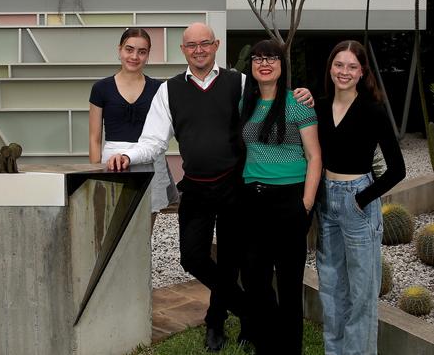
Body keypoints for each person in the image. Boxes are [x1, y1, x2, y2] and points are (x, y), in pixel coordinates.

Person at [107, 22, 313, 352]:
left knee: (233, 260)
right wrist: (127, 155)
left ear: (216, 45)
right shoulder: (169, 90)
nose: (199, 49)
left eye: (205, 43)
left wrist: (303, 94)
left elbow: (274, 97)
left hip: (236, 187)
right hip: (197, 189)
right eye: (192, 45)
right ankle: (250, 312)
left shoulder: (240, 82)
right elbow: (153, 140)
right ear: (183, 50)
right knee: (192, 257)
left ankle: (216, 322)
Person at [315, 40, 405, 355]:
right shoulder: (320, 107)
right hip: (326, 202)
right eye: (339, 65)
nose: (344, 71)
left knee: (362, 293)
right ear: (330, 68)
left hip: (358, 204)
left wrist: (362, 198)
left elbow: (397, 170)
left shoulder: (373, 110)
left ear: (362, 71)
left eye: (352, 66)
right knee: (331, 288)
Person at [239, 40, 321, 355]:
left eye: (272, 57)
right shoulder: (244, 105)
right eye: (258, 58)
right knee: (257, 284)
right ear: (252, 66)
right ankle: (266, 346)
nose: (265, 63)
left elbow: (315, 156)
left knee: (288, 286)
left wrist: (307, 203)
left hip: (291, 201)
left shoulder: (298, 103)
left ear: (281, 65)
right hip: (253, 201)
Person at [89, 28, 178, 226]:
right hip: (112, 164)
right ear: (119, 50)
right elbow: (94, 137)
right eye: (129, 49)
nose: (134, 56)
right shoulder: (101, 88)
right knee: (112, 227)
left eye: (142, 51)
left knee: (146, 226)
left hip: (150, 163)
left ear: (148, 55)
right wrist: (95, 173)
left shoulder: (159, 88)